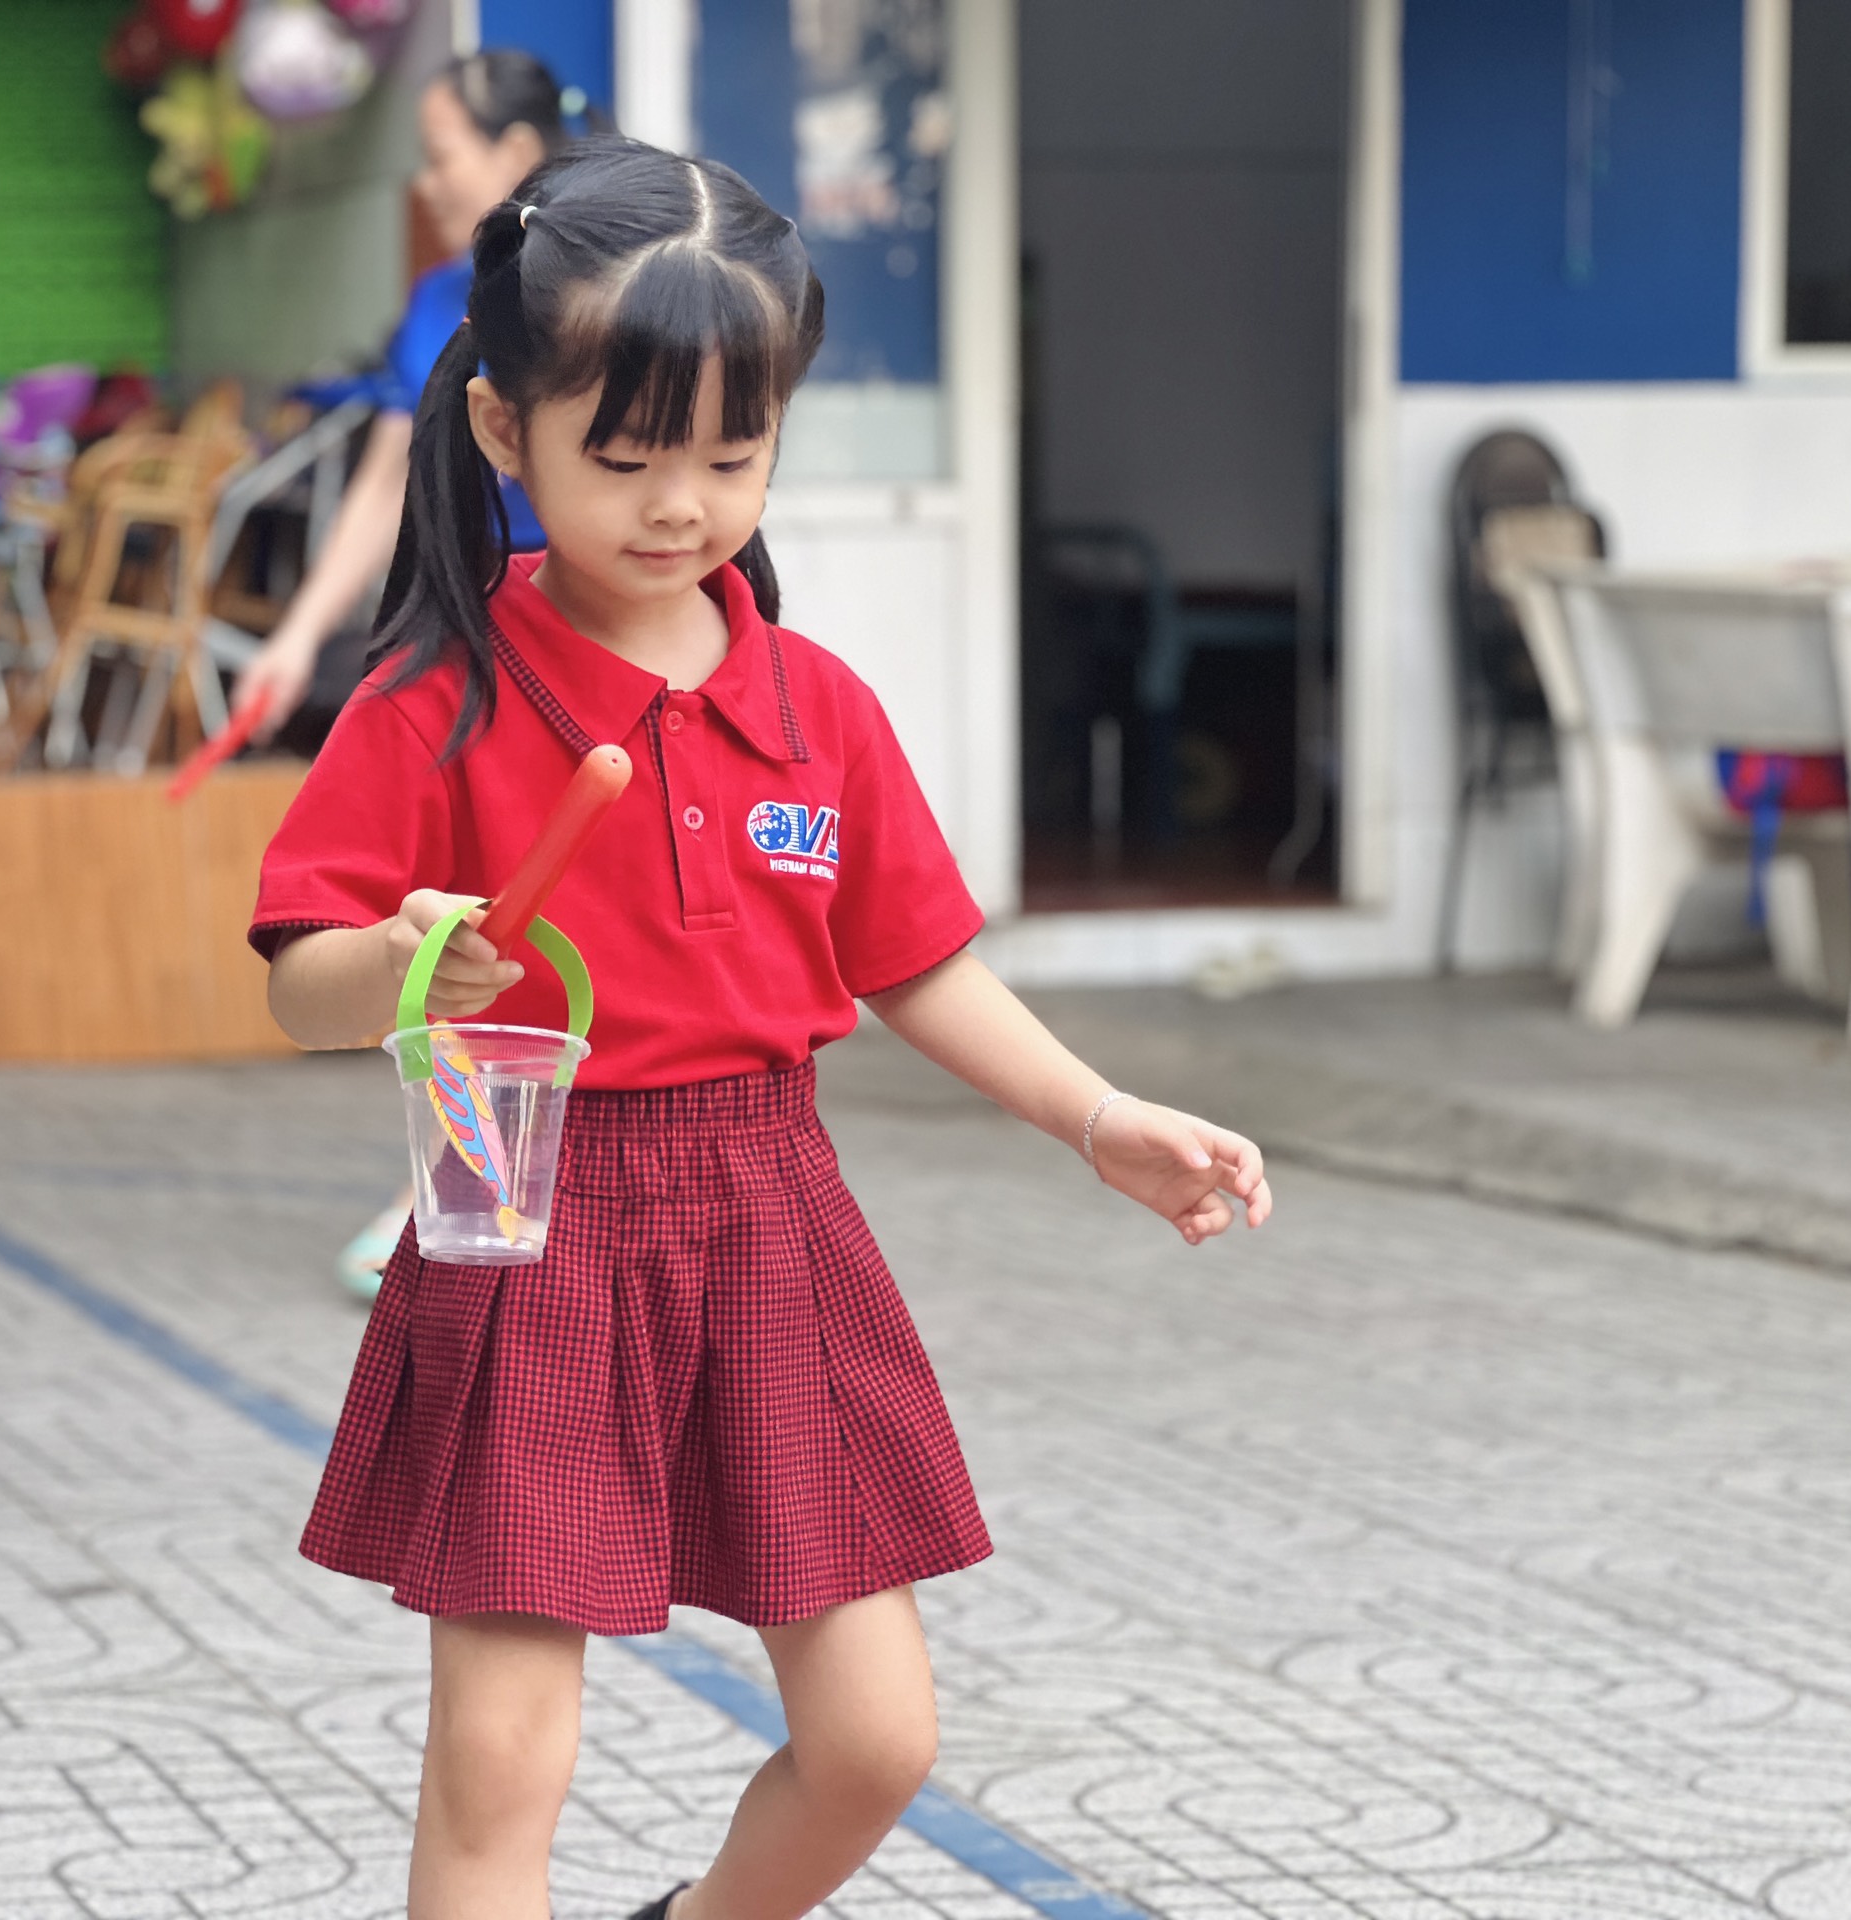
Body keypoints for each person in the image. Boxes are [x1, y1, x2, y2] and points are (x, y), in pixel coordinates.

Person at [249, 141, 1273, 1920]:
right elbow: (295, 978)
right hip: (526, 1228)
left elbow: (916, 963)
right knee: (503, 1764)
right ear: (504, 431)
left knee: (877, 1743)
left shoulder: (820, 710)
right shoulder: (432, 703)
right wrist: (402, 968)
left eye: (734, 456)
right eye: (626, 457)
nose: (682, 506)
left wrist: (1097, 1118)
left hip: (771, 1224)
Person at [233, 49, 574, 1299]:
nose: (426, 185)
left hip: (588, 662)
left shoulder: (605, 297)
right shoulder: (439, 299)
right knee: (467, 928)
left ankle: (518, 1179)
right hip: (483, 660)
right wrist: (296, 637)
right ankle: (451, 1177)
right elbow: (386, 487)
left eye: (440, 157)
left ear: (517, 155)